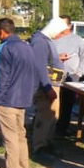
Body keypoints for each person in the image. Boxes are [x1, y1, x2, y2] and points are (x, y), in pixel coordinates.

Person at [0, 18, 40, 168]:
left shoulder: (3, 49)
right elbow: (35, 73)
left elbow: (0, 77)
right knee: (20, 136)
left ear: (1, 32)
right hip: (23, 100)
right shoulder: (27, 48)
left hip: (7, 100)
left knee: (9, 139)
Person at [29, 17, 66, 158]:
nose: (60, 36)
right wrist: (47, 88)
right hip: (46, 86)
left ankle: (47, 141)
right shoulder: (39, 42)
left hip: (52, 84)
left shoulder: (45, 41)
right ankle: (39, 147)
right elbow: (40, 66)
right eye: (61, 33)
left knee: (51, 116)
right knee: (44, 116)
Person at [54, 15, 84, 137]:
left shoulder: (78, 40)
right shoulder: (54, 39)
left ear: (69, 26)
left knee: (68, 103)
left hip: (72, 76)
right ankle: (53, 127)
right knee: (55, 102)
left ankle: (63, 127)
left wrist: (79, 72)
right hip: (56, 75)